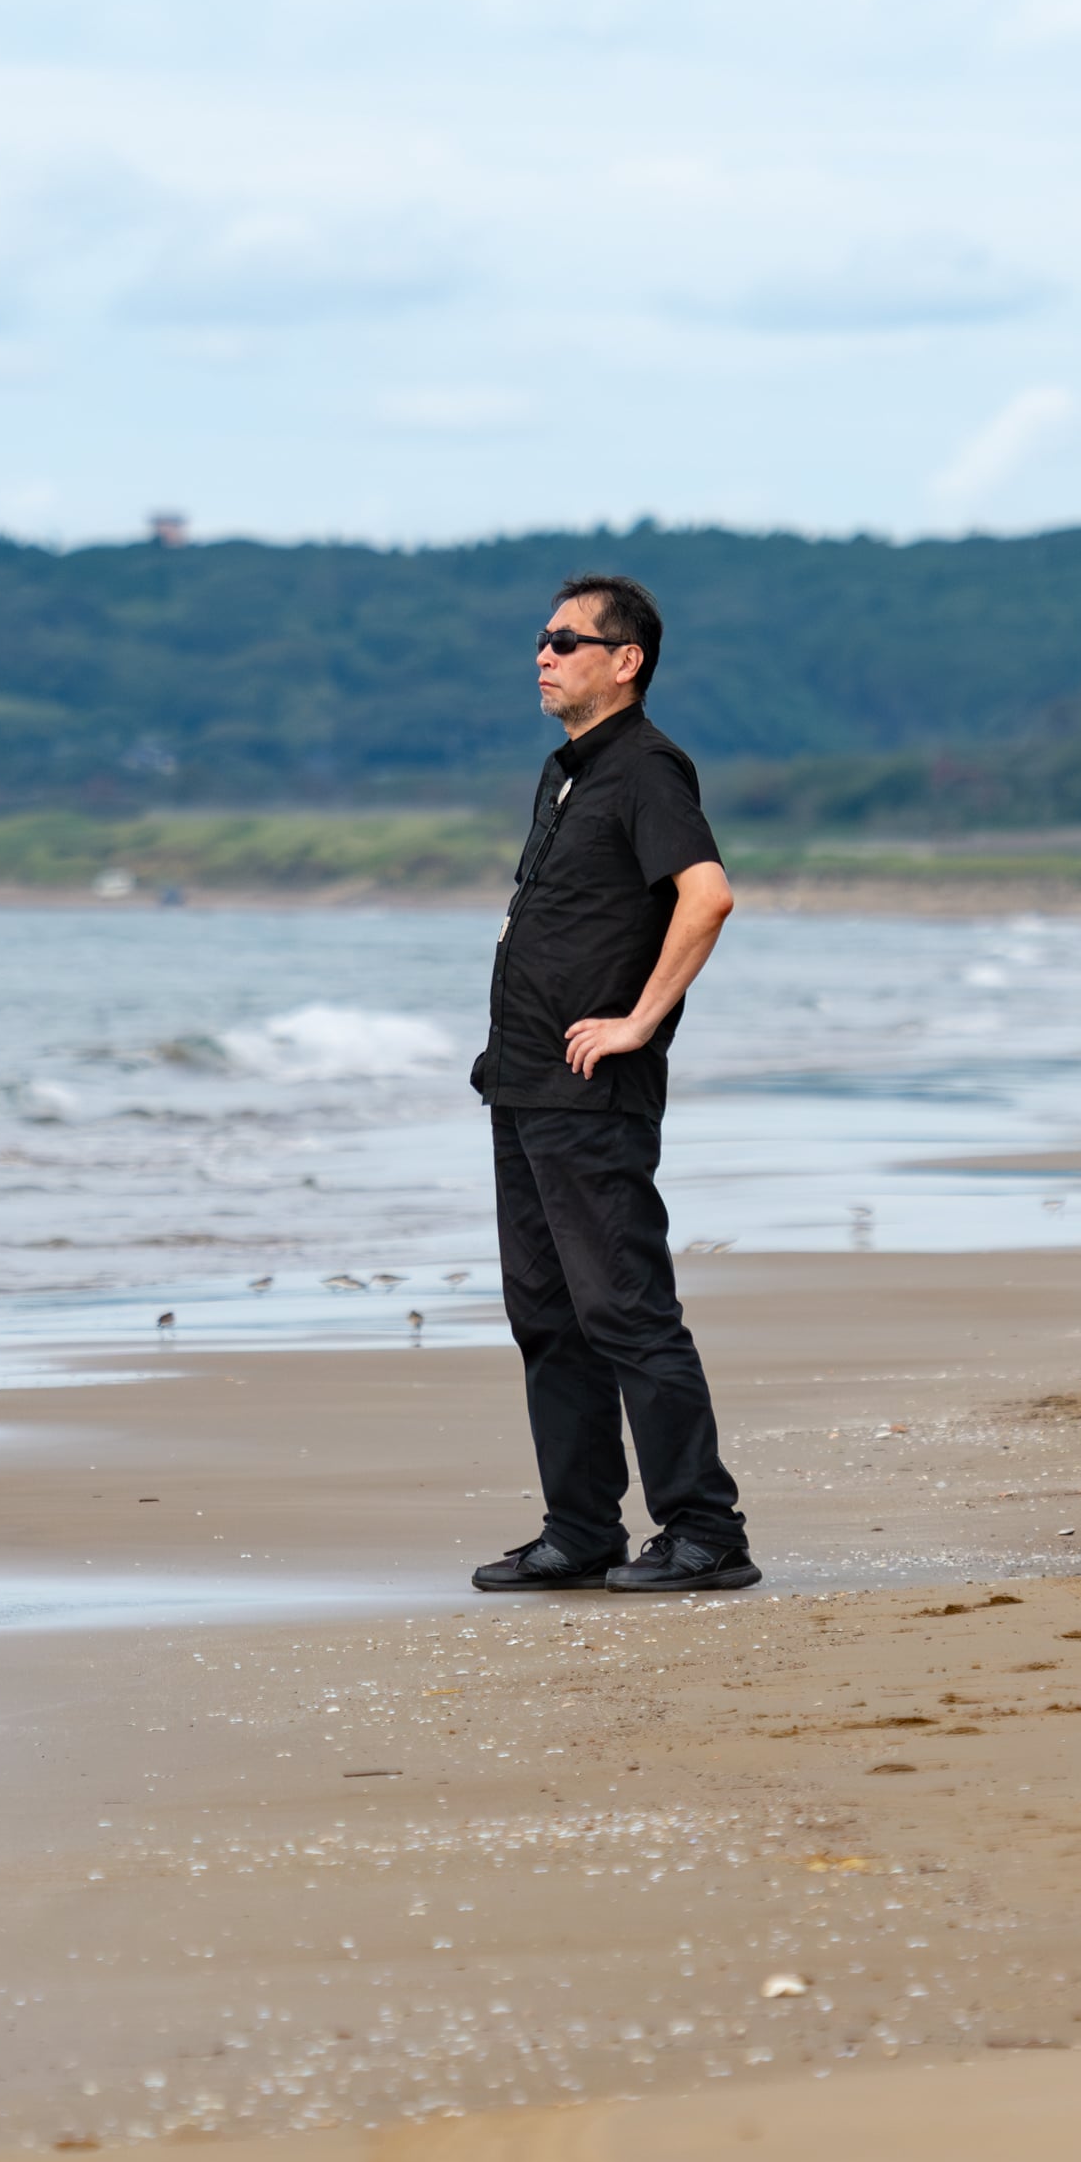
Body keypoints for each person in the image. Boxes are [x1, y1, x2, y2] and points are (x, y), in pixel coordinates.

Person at [463, 571, 752, 1594]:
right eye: (541, 639)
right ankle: (581, 1529)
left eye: (566, 641)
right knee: (548, 1318)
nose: (543, 655)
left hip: (592, 1094)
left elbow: (707, 898)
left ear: (625, 661)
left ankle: (706, 1532)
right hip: (525, 1085)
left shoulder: (646, 767)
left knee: (625, 1309)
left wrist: (639, 1020)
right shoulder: (569, 771)